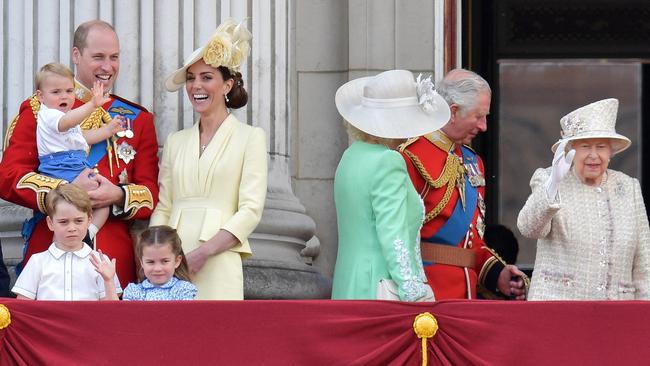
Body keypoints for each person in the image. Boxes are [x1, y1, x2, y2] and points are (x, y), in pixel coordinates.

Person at [0, 20, 159, 289]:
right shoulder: (40, 110)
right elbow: (9, 177)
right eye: (98, 57)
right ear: (77, 56)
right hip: (50, 258)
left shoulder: (138, 119)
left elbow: (151, 194)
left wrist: (118, 195)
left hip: (113, 262)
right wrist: (65, 189)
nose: (107, 67)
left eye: (114, 57)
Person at [150, 19, 267, 300]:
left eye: (206, 77)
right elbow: (164, 207)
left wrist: (204, 253)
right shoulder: (176, 141)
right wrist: (154, 257)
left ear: (227, 85)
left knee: (218, 340)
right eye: (191, 78)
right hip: (171, 265)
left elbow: (250, 210)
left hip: (219, 259)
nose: (196, 85)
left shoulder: (251, 137)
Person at [399, 68, 527, 300]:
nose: (484, 126)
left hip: (466, 298)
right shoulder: (411, 155)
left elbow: (472, 241)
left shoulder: (473, 161)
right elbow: (396, 236)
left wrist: (498, 274)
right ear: (453, 112)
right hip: (427, 294)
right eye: (478, 116)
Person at [331, 69, 450, 301]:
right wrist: (412, 289)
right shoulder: (389, 161)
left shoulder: (350, 157)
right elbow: (392, 232)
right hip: (381, 286)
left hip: (349, 283)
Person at [517, 98, 650, 300]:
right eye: (585, 146)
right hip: (560, 309)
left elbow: (643, 261)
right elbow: (529, 228)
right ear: (570, 150)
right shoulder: (548, 179)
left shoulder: (629, 186)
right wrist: (553, 183)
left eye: (602, 147)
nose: (594, 155)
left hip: (618, 312)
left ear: (611, 152)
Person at [35, 62, 125, 241]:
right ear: (40, 96)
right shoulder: (49, 114)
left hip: (74, 164)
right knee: (66, 210)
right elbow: (66, 123)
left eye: (69, 91)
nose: (64, 96)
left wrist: (107, 131)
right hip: (60, 167)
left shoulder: (66, 116)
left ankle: (88, 234)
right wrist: (92, 104)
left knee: (102, 203)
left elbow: (82, 137)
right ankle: (60, 246)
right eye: (56, 92)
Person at [12, 184, 121, 300]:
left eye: (78, 221)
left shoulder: (101, 262)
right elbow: (23, 304)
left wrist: (108, 281)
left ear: (89, 220)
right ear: (50, 223)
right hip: (48, 318)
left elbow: (111, 310)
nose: (71, 228)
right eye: (63, 222)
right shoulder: (37, 262)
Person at [122, 225, 197, 301]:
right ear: (142, 262)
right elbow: (120, 312)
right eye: (150, 262)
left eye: (165, 261)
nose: (157, 269)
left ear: (177, 261)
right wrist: (109, 281)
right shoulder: (134, 292)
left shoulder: (183, 290)